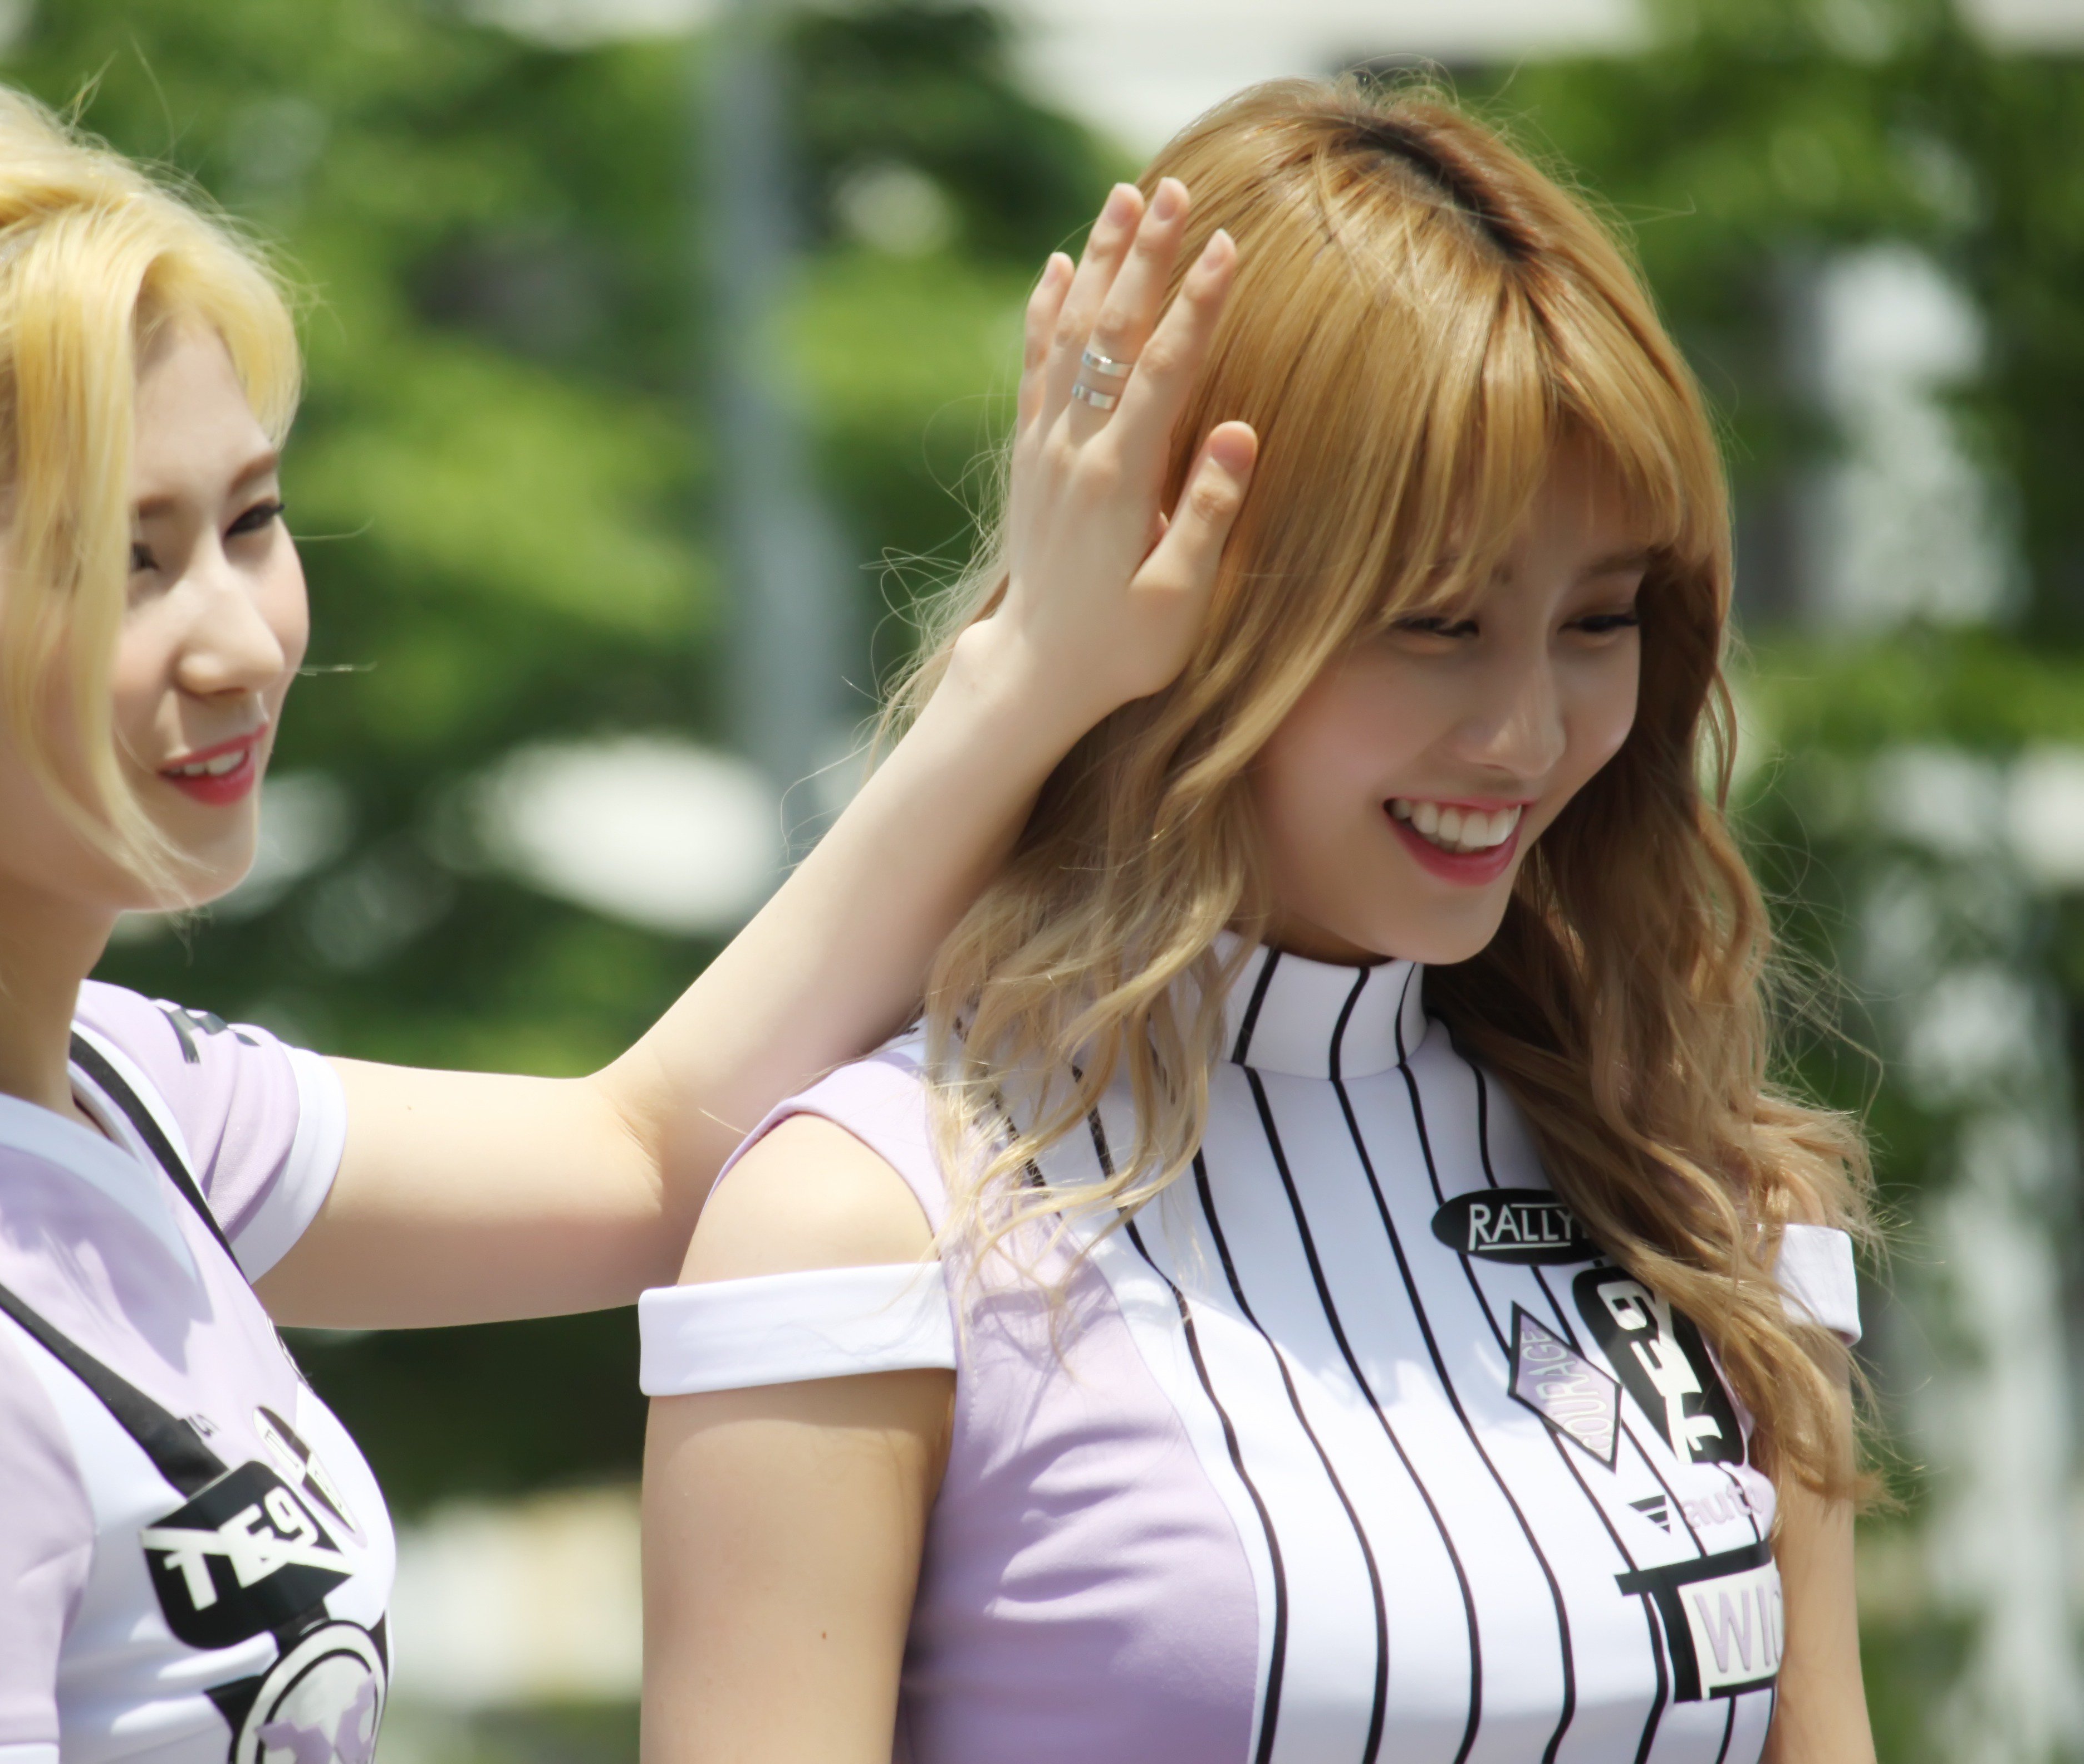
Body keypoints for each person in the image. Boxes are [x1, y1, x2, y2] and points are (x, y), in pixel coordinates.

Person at [0, 72, 1262, 1764]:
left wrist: (1037, 668)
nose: (243, 641)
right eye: (119, 562)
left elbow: (645, 1157)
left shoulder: (112, 1097)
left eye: (250, 521)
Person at [638, 78, 1876, 1764]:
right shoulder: (863, 1220)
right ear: (1182, 597)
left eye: (1600, 621)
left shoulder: (1706, 1195)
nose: (1527, 734)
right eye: (1439, 624)